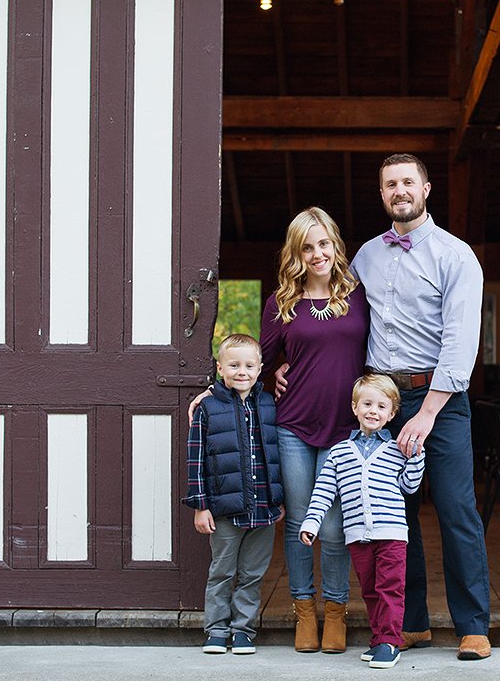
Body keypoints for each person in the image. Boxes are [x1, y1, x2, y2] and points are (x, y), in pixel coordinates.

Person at [192, 207, 368, 654]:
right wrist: (213, 393)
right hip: (291, 426)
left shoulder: (357, 295)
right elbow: (253, 361)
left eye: (323, 244)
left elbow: (377, 350)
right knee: (296, 524)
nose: (317, 253)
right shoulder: (281, 303)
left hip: (344, 428)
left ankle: (335, 611)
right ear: (296, 252)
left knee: (331, 527)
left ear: (335, 244)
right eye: (307, 247)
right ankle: (303, 612)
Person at [348, 153, 491, 661]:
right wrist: (282, 361)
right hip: (382, 402)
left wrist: (427, 413)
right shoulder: (364, 256)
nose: (400, 190)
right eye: (390, 184)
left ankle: (473, 625)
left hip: (441, 400)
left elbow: (460, 342)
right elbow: (336, 321)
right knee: (393, 517)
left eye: (409, 181)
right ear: (382, 193)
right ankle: (411, 624)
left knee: (455, 509)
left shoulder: (456, 256)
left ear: (426, 189)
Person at [299, 374, 425, 669]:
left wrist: (417, 456)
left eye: (381, 406)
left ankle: (390, 642)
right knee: (369, 590)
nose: (373, 411)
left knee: (390, 588)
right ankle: (379, 637)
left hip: (392, 533)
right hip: (357, 534)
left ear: (392, 413)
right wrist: (311, 523)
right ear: (355, 407)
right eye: (367, 404)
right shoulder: (339, 453)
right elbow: (324, 491)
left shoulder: (397, 450)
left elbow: (410, 486)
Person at [182, 333, 283, 657]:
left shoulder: (268, 404)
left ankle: (243, 631)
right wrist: (200, 507)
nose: (242, 371)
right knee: (223, 571)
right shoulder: (208, 407)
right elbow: (196, 460)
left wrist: (277, 500)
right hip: (225, 510)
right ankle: (216, 631)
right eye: (234, 365)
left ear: (260, 368)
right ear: (220, 368)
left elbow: (275, 455)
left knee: (252, 574)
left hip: (263, 510)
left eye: (249, 365)